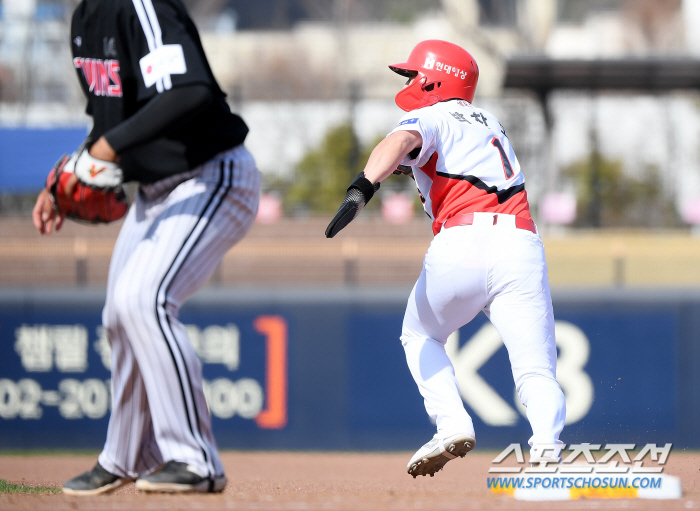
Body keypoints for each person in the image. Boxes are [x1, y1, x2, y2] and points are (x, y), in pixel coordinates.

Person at [32, 0, 260, 495]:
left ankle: (195, 459)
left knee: (145, 300)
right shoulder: (84, 19)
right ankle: (127, 456)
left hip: (211, 173)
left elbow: (191, 92)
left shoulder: (141, 4)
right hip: (155, 190)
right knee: (120, 312)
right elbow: (108, 121)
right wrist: (65, 179)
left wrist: (106, 150)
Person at [325, 39, 566, 477]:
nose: (410, 81)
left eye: (414, 74)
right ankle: (549, 451)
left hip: (464, 242)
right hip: (521, 244)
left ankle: (452, 423)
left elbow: (400, 140)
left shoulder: (433, 114)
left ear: (436, 78)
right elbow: (443, 159)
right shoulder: (489, 120)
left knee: (419, 336)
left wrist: (363, 187)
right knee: (536, 371)